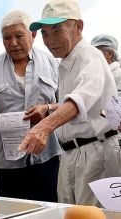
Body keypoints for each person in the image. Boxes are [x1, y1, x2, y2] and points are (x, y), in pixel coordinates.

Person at [25, 0, 121, 206]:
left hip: (96, 151)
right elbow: (80, 102)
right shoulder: (66, 63)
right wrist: (49, 109)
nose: (50, 40)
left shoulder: (91, 56)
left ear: (79, 26)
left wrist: (44, 127)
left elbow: (82, 98)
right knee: (69, 211)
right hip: (71, 153)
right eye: (45, 33)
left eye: (57, 30)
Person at [0, 10, 61, 202]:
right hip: (8, 159)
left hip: (46, 155)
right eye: (7, 38)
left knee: (47, 208)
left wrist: (48, 108)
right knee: (11, 208)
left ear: (33, 35)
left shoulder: (53, 64)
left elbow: (65, 102)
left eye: (19, 36)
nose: (13, 43)